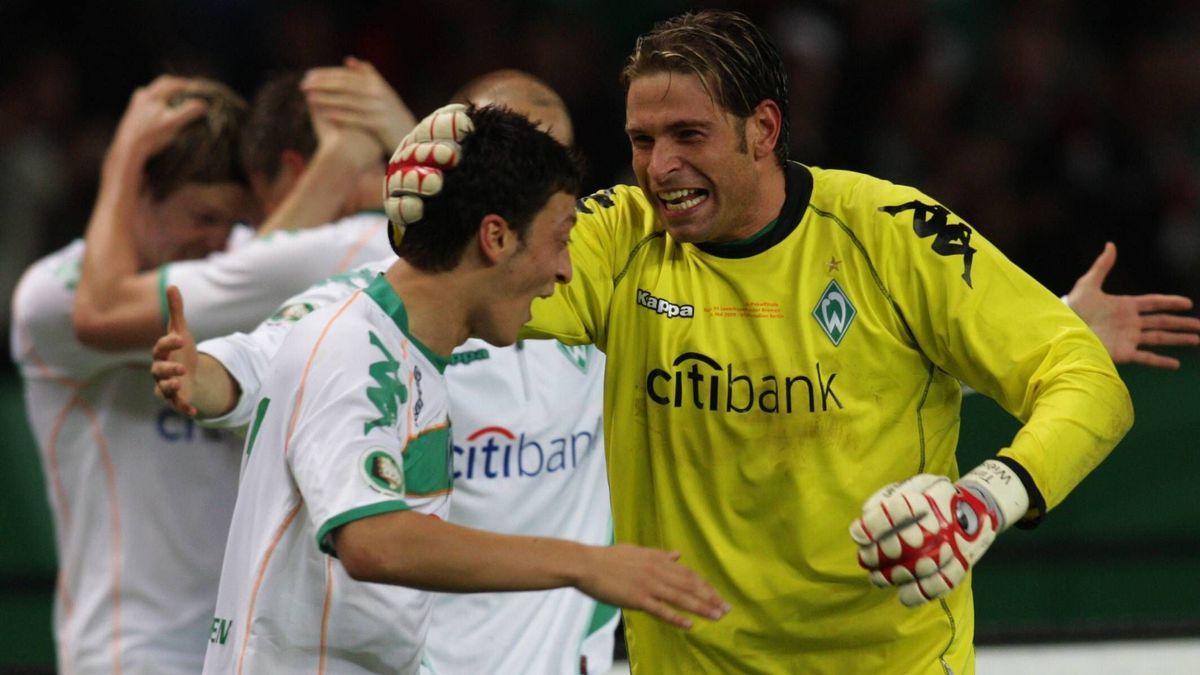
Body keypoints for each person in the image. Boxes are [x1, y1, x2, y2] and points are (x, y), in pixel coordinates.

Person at [386, 10, 1197, 673]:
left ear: (763, 128)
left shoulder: (888, 233)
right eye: (640, 140)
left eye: (688, 135)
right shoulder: (616, 236)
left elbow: (1087, 380)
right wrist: (436, 211)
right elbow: (465, 284)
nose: (659, 166)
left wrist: (984, 500)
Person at [197, 105, 727, 674]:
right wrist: (586, 565)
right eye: (561, 239)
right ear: (496, 237)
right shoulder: (352, 347)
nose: (568, 271)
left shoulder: (416, 360)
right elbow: (372, 541)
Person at [9, 76, 252, 675]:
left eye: (231, 221)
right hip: (129, 653)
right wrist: (123, 156)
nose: (218, 241)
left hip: (250, 648)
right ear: (137, 190)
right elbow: (105, 310)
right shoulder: (51, 300)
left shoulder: (237, 266)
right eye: (202, 216)